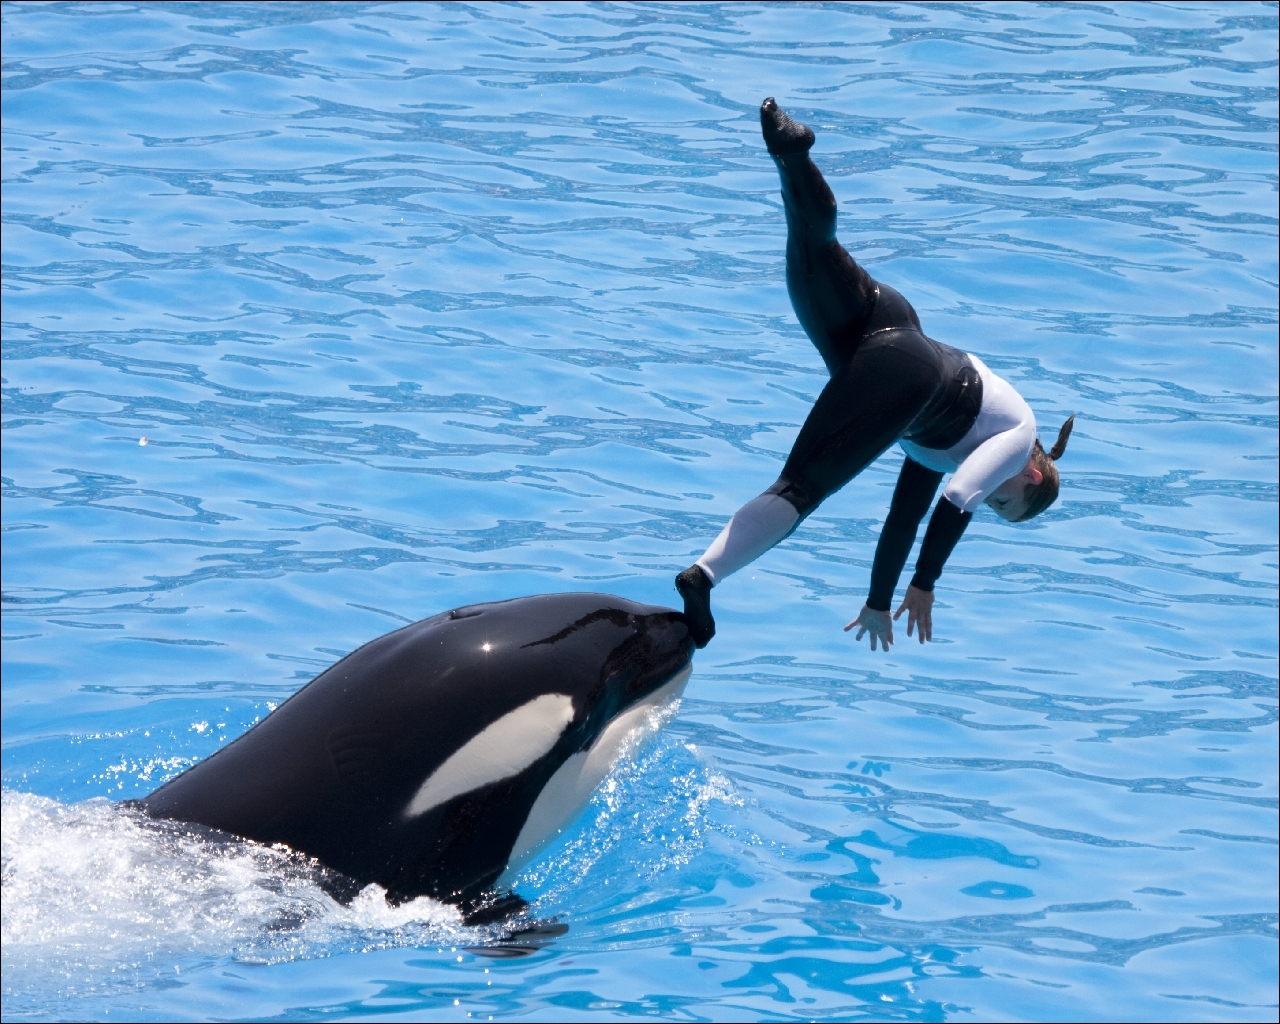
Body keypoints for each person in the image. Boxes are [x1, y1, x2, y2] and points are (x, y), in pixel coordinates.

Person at [675, 99, 1074, 652]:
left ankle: (792, 155)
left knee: (813, 246)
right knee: (799, 488)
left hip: (889, 331)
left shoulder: (945, 445)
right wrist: (925, 584)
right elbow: (959, 500)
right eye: (1004, 503)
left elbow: (901, 523)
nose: (993, 501)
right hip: (907, 370)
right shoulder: (1019, 437)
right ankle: (703, 577)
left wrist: (878, 601)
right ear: (1030, 477)